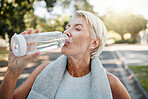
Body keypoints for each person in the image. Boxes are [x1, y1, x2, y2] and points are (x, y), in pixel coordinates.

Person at [0, 10, 131, 99]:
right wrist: (13, 69)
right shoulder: (43, 70)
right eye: (68, 27)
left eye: (77, 28)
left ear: (94, 43)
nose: (67, 31)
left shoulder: (111, 83)